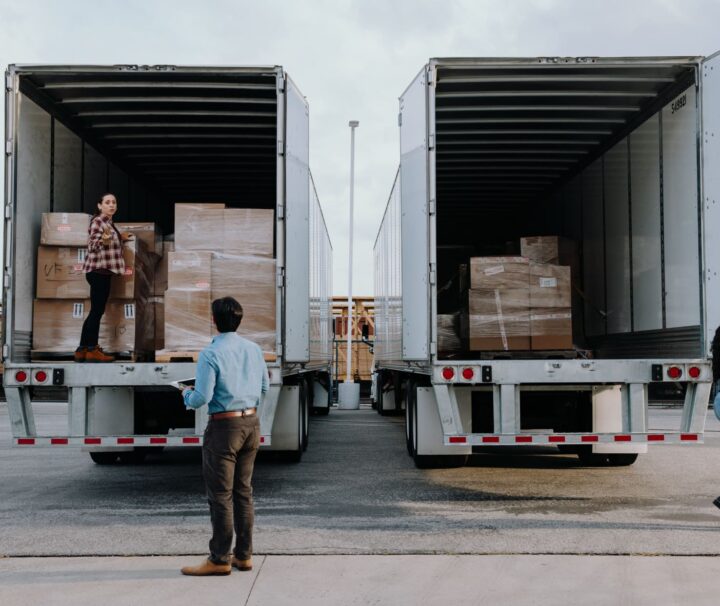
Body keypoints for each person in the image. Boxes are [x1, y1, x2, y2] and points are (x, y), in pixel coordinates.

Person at [181, 297, 269, 577]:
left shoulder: (211, 353)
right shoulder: (254, 349)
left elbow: (201, 398)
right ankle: (243, 556)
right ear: (239, 320)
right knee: (244, 492)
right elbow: (265, 387)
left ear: (213, 320)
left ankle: (219, 558)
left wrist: (185, 394)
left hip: (224, 428)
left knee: (221, 496)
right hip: (251, 423)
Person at [75, 193, 131, 363]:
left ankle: (82, 349)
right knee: (97, 311)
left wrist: (119, 238)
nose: (111, 205)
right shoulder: (98, 221)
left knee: (95, 310)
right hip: (99, 272)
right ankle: (91, 348)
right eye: (107, 202)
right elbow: (92, 245)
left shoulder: (109, 223)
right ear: (100, 206)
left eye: (114, 202)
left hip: (102, 272)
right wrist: (103, 241)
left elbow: (109, 240)